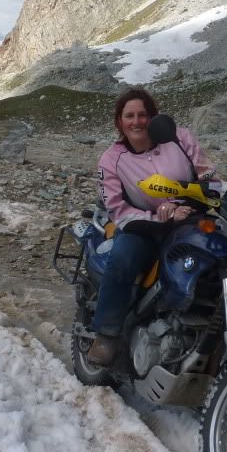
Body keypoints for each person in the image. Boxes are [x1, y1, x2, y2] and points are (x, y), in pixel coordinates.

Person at [87, 87, 218, 366]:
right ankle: (107, 333)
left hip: (192, 217)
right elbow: (118, 209)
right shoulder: (111, 159)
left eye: (143, 115)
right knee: (124, 255)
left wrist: (194, 202)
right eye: (129, 116)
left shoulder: (179, 138)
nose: (137, 122)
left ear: (153, 116)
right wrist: (160, 217)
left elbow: (211, 177)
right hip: (142, 226)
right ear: (120, 122)